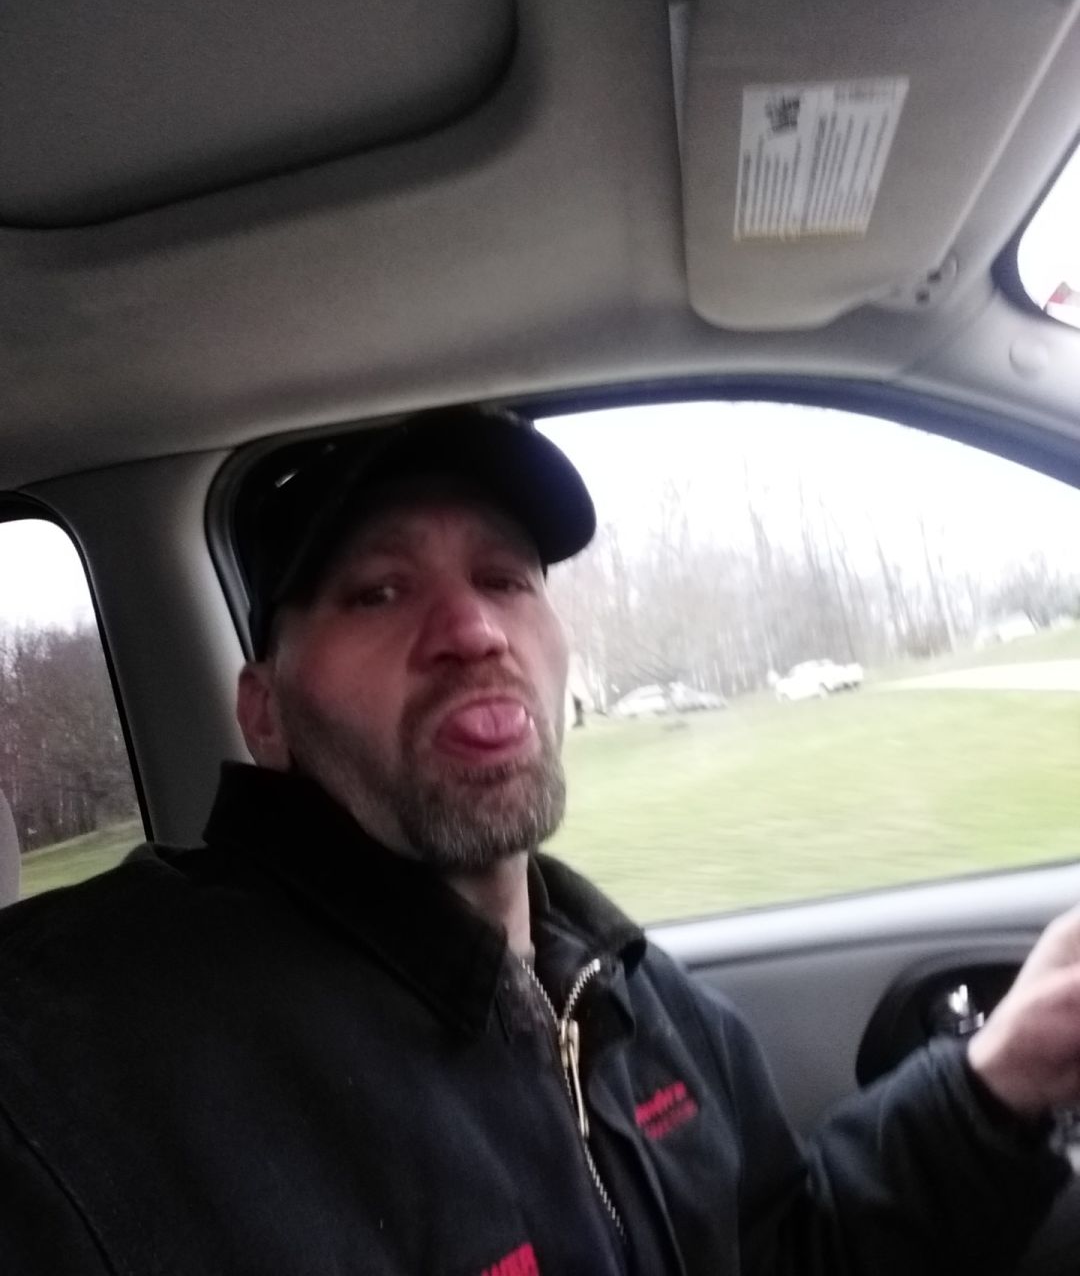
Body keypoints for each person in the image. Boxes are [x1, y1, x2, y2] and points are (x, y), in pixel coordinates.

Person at [0, 406, 1074, 1276]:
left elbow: (784, 1255)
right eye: (378, 590)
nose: (474, 632)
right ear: (265, 713)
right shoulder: (85, 1066)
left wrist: (1003, 1073)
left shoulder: (633, 994)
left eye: (506, 578)